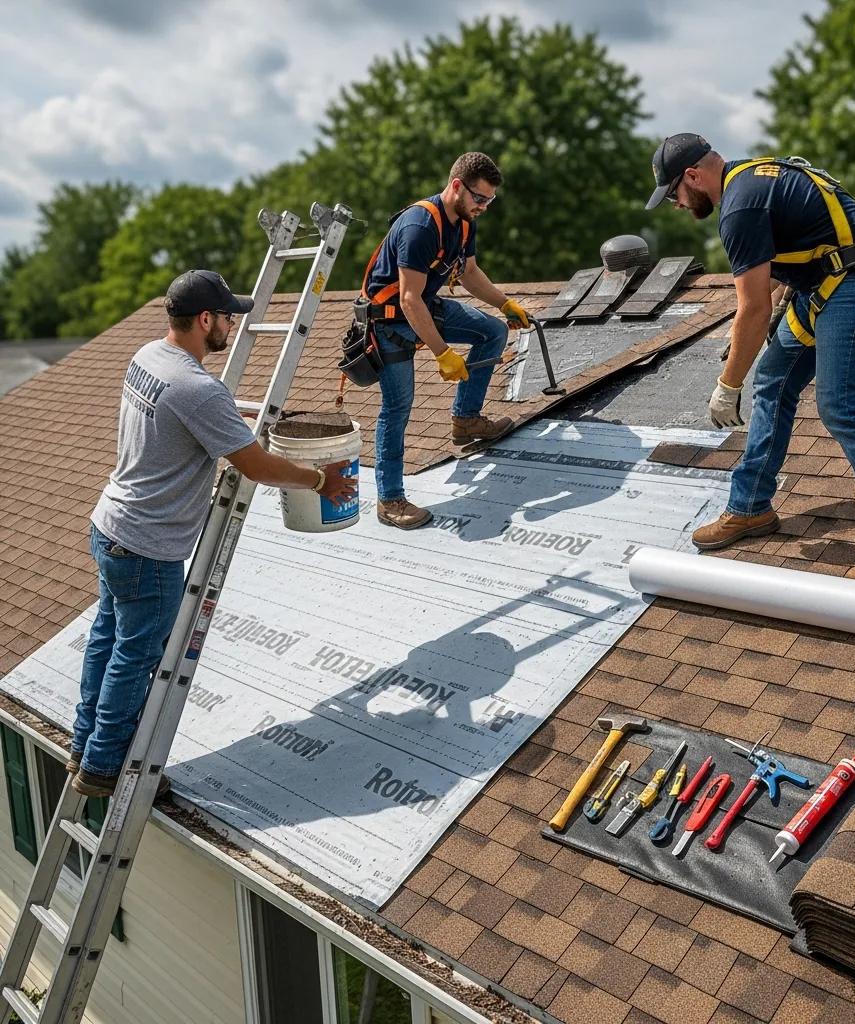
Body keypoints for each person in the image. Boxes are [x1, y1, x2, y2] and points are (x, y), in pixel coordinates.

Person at [70, 269, 357, 798]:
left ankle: (84, 746)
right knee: (137, 658)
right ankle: (105, 767)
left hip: (110, 523)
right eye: (228, 316)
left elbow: (182, 435)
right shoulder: (199, 389)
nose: (233, 324)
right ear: (205, 320)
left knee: (107, 642)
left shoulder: (146, 357)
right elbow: (256, 466)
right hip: (147, 548)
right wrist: (321, 479)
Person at [646, 133, 855, 584]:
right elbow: (774, 275)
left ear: (692, 176)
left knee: (842, 406)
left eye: (675, 194)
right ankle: (750, 509)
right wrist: (743, 334)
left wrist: (727, 386)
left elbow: (754, 309)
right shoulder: (750, 178)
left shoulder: (740, 206)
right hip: (825, 283)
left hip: (853, 281)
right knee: (772, 379)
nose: (678, 205)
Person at [359, 151, 530, 530]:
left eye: (490, 200)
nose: (484, 207)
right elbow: (407, 299)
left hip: (424, 306)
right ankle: (389, 500)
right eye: (479, 198)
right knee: (398, 408)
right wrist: (443, 353)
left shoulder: (465, 222)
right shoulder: (419, 226)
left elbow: (468, 273)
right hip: (389, 323)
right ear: (456, 186)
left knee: (493, 331)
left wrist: (504, 304)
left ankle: (466, 420)